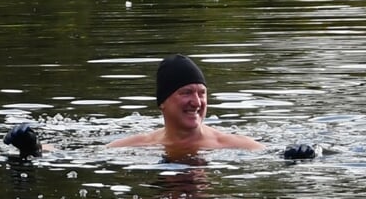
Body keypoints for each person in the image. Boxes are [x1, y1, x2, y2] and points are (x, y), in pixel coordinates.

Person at [109, 54, 263, 153]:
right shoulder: (132, 147)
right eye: (186, 92)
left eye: (202, 93)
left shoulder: (238, 146)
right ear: (163, 102)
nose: (197, 102)